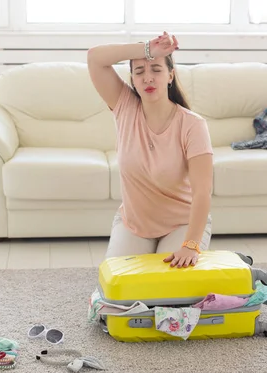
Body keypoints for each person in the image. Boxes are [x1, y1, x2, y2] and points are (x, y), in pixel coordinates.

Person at [87, 32, 213, 268]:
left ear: (170, 76)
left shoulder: (193, 125)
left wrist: (190, 245)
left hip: (182, 224)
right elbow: (95, 57)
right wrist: (147, 50)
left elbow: (202, 192)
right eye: (139, 72)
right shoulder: (124, 107)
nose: (148, 78)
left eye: (156, 69)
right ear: (132, 79)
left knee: (168, 291)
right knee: (120, 294)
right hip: (134, 226)